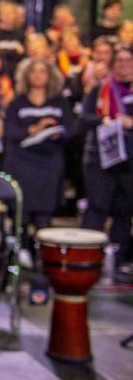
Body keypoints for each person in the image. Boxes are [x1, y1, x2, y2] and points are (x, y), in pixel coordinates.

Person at [3, 58, 71, 280]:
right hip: (23, 162)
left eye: (43, 71)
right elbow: (9, 132)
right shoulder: (18, 103)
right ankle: (20, 254)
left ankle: (44, 260)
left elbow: (72, 130)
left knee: (44, 215)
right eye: (34, 72)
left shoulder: (59, 102)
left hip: (49, 163)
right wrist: (33, 129)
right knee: (21, 213)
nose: (39, 76)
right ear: (26, 76)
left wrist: (56, 132)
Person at [80, 44, 133, 275]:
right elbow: (83, 118)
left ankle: (118, 257)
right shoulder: (102, 87)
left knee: (125, 209)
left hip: (130, 159)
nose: (123, 65)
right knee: (97, 207)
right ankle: (86, 254)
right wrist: (102, 121)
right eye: (119, 61)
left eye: (128, 61)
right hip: (101, 157)